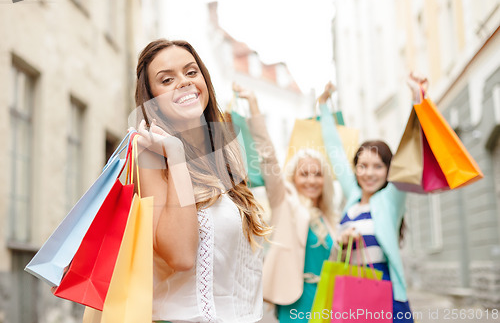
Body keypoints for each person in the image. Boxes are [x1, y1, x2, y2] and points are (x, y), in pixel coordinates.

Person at [133, 39, 271, 323]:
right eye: (167, 79)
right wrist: (176, 155)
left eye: (191, 72)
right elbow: (181, 256)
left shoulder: (224, 153)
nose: (183, 82)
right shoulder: (151, 156)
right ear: (152, 102)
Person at [318, 74, 427, 323]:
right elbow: (335, 151)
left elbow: (411, 151)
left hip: (386, 293)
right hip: (351, 289)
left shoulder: (391, 199)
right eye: (363, 166)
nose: (369, 173)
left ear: (389, 170)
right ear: (355, 169)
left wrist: (417, 99)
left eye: (378, 166)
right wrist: (324, 106)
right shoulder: (353, 198)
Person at [232, 83, 339, 323]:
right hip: (296, 301)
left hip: (330, 301)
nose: (311, 180)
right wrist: (254, 107)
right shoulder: (285, 203)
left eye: (317, 173)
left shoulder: (327, 216)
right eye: (304, 173)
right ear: (294, 177)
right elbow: (268, 158)